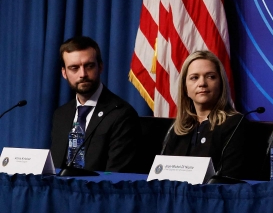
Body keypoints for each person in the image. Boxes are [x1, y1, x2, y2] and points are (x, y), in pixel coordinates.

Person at [50, 36, 141, 172]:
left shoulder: (122, 115)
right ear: (64, 73)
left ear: (100, 67)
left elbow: (116, 176)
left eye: (89, 66)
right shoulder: (61, 114)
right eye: (74, 68)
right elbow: (55, 167)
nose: (83, 74)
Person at [161, 50, 249, 178]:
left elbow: (230, 179)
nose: (202, 83)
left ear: (221, 84)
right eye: (194, 78)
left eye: (211, 77)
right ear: (185, 88)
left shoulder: (235, 125)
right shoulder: (178, 128)